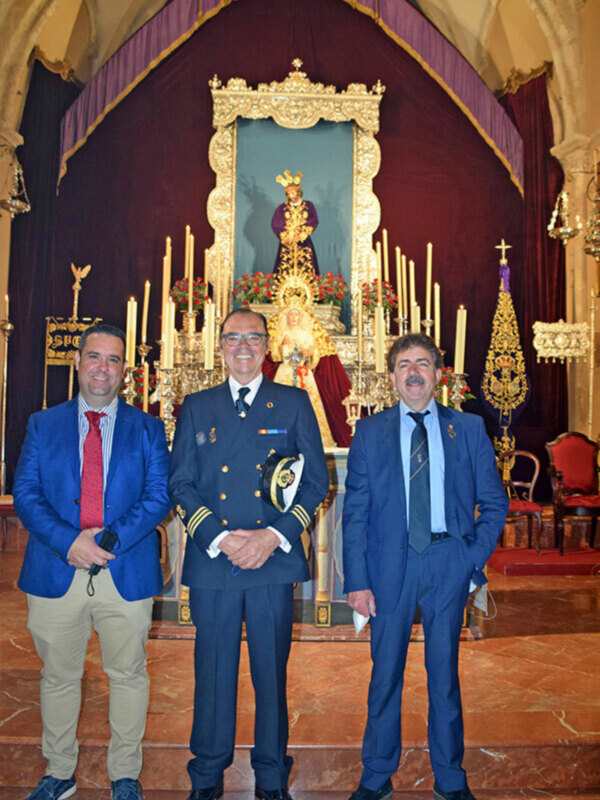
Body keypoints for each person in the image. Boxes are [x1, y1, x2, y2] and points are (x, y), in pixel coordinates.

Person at [168, 307, 329, 800]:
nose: (243, 346)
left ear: (267, 347)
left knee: (269, 673)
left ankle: (271, 776)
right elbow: (181, 482)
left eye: (253, 338)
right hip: (215, 561)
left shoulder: (294, 403)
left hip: (271, 561)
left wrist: (271, 538)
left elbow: (316, 483)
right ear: (220, 346)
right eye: (233, 337)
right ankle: (208, 774)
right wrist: (218, 537)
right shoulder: (197, 405)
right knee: (212, 673)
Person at [342, 333, 508, 800]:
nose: (413, 372)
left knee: (444, 677)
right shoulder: (370, 433)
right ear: (392, 376)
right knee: (384, 676)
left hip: (446, 563)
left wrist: (470, 560)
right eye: (403, 365)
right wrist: (356, 581)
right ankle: (376, 776)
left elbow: (494, 503)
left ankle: (450, 780)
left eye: (422, 363)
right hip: (388, 569)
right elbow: (355, 513)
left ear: (438, 374)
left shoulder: (468, 429)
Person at [14, 322, 171, 800]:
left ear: (125, 369)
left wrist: (107, 540)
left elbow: (158, 495)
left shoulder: (147, 428)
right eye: (95, 357)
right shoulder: (43, 425)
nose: (103, 368)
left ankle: (125, 774)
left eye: (114, 359)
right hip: (56, 568)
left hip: (123, 569)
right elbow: (26, 493)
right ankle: (59, 771)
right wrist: (69, 542)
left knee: (128, 674)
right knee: (58, 676)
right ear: (78, 362)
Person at [271, 170, 319, 275]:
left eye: (293, 192)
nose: (291, 195)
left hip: (304, 243)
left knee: (306, 269)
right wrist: (287, 235)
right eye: (289, 193)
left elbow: (313, 220)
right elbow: (276, 224)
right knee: (285, 269)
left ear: (299, 192)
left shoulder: (308, 205)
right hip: (287, 244)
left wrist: (301, 234)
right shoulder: (281, 208)